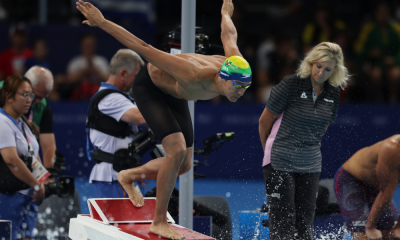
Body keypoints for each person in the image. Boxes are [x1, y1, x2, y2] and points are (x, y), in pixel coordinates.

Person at [77, 0, 252, 239]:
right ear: (222, 78)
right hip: (150, 88)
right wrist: (102, 22)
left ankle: (128, 175)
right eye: (237, 87)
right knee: (176, 150)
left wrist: (225, 11)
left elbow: (228, 33)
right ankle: (158, 221)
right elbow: (142, 46)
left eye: (245, 88)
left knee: (185, 164)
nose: (240, 93)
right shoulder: (191, 73)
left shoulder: (235, 63)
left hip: (175, 93)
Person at [258, 42, 350, 240]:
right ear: (310, 63)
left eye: (328, 69)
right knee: (282, 220)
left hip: (310, 162)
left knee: (304, 223)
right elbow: (264, 121)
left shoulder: (333, 92)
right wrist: (270, 151)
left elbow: (322, 127)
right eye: (318, 66)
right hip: (279, 159)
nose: (321, 73)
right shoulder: (290, 85)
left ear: (335, 70)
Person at [87, 49, 146, 198]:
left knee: (136, 221)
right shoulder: (110, 98)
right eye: (135, 76)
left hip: (124, 173)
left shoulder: (121, 98)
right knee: (113, 222)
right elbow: (141, 118)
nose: (137, 82)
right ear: (123, 74)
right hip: (112, 177)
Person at [0, 75, 46, 240]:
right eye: (24, 94)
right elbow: (12, 161)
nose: (29, 100)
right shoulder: (2, 122)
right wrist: (36, 185)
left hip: (28, 198)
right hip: (8, 198)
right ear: (9, 97)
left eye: (31, 95)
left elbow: (33, 158)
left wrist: (43, 183)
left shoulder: (24, 125)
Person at [334, 135, 400, 240]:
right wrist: (370, 227)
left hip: (376, 185)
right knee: (362, 232)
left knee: (391, 230)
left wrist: (398, 227)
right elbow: (385, 193)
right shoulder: (392, 147)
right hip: (350, 179)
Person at [23, 66, 56, 169]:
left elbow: (48, 148)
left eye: (42, 98)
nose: (38, 101)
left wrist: (48, 177)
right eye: (36, 96)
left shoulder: (43, 106)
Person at [66, 34, 109, 101]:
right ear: (81, 46)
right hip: (78, 98)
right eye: (86, 45)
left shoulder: (101, 61)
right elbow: (69, 79)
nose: (89, 47)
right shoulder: (75, 62)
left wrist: (95, 72)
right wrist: (83, 72)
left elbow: (108, 79)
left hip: (99, 97)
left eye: (91, 45)